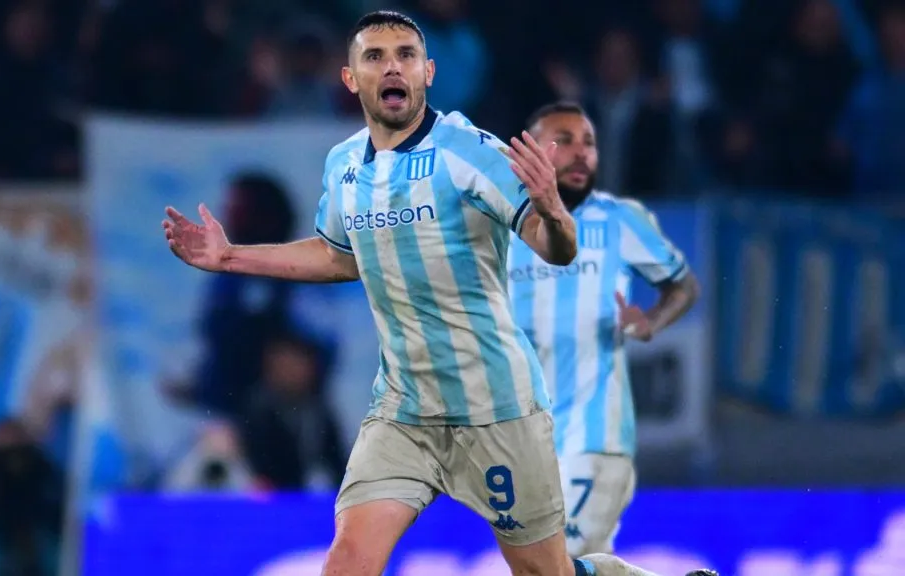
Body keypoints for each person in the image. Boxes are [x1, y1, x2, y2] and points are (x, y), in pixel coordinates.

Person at [164, 10, 711, 576]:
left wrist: (553, 209)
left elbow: (556, 250)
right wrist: (230, 256)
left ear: (427, 72)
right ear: (351, 78)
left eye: (405, 55)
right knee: (348, 562)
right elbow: (336, 257)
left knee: (546, 574)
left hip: (494, 409)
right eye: (375, 57)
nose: (391, 67)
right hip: (403, 411)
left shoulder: (468, 152)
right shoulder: (345, 165)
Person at [508, 102, 703, 561]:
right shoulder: (502, 227)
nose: (581, 153)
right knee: (572, 564)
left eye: (590, 143)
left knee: (559, 559)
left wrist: (648, 322)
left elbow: (683, 286)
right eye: (566, 140)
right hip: (524, 442)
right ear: (533, 150)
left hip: (596, 435)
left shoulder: (617, 219)